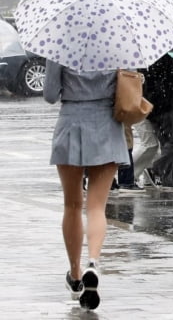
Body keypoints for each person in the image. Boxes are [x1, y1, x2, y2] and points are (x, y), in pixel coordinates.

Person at [44, 60, 129, 310]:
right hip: (107, 124)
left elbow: (49, 95)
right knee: (96, 207)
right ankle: (93, 261)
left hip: (71, 122)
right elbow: (128, 84)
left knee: (72, 204)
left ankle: (76, 274)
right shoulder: (117, 43)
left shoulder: (60, 45)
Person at [140, 54, 173, 189]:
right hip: (167, 106)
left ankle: (172, 179)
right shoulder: (163, 59)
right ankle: (156, 169)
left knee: (167, 143)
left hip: (153, 107)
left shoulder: (143, 61)